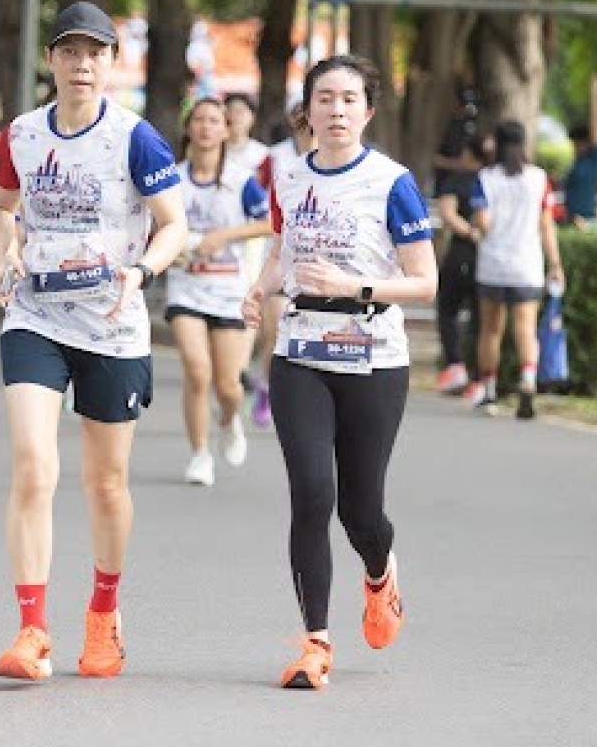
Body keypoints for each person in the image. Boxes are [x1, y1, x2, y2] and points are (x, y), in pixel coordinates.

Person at [0, 1, 188, 682]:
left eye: (95, 53)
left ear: (111, 63)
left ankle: (103, 612)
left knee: (105, 484)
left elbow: (174, 224)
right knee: (33, 464)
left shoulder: (135, 138)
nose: (81, 65)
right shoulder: (21, 135)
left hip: (112, 323)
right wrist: (0, 262)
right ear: (51, 59)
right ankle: (32, 630)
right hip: (36, 315)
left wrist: (143, 271)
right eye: (69, 52)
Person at [240, 53, 438, 691]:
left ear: (368, 111)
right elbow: (281, 251)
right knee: (311, 494)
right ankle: (315, 642)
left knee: (361, 512)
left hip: (373, 357)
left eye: (349, 100)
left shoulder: (392, 183)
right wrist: (260, 288)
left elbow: (425, 281)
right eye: (324, 99)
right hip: (301, 353)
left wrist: (355, 287)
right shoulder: (288, 176)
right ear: (308, 110)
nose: (336, 111)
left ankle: (380, 573)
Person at [166, 97, 270, 486]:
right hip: (186, 287)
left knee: (229, 386)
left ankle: (228, 420)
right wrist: (171, 248)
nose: (206, 127)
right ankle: (199, 454)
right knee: (197, 371)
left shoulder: (241, 181)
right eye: (199, 120)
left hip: (228, 289)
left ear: (226, 130)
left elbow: (269, 223)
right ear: (188, 128)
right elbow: (155, 222)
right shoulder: (173, 179)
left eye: (214, 121)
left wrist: (223, 236)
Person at [467, 120, 565, 419]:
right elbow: (546, 225)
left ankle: (489, 391)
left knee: (491, 329)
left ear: (497, 144)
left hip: (493, 265)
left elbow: (483, 223)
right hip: (527, 265)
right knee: (525, 327)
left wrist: (477, 229)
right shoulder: (539, 179)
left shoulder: (485, 178)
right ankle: (528, 379)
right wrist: (555, 264)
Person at [247, 102, 315, 430]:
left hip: (317, 264)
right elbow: (255, 203)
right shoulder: (274, 158)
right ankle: (266, 388)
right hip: (278, 258)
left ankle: (303, 398)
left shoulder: (333, 157)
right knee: (274, 332)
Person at [433, 132, 492, 395]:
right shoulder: (493, 181)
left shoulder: (456, 181)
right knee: (482, 319)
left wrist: (469, 232)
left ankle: (455, 365)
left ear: (468, 154)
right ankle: (480, 380)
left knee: (448, 309)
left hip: (461, 253)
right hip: (490, 256)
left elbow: (447, 214)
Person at [562, 75, 597, 226]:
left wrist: (594, 95)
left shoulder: (594, 159)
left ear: (587, 142)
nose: (576, 146)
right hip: (571, 220)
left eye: (579, 142)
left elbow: (596, 126)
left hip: (587, 221)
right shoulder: (577, 162)